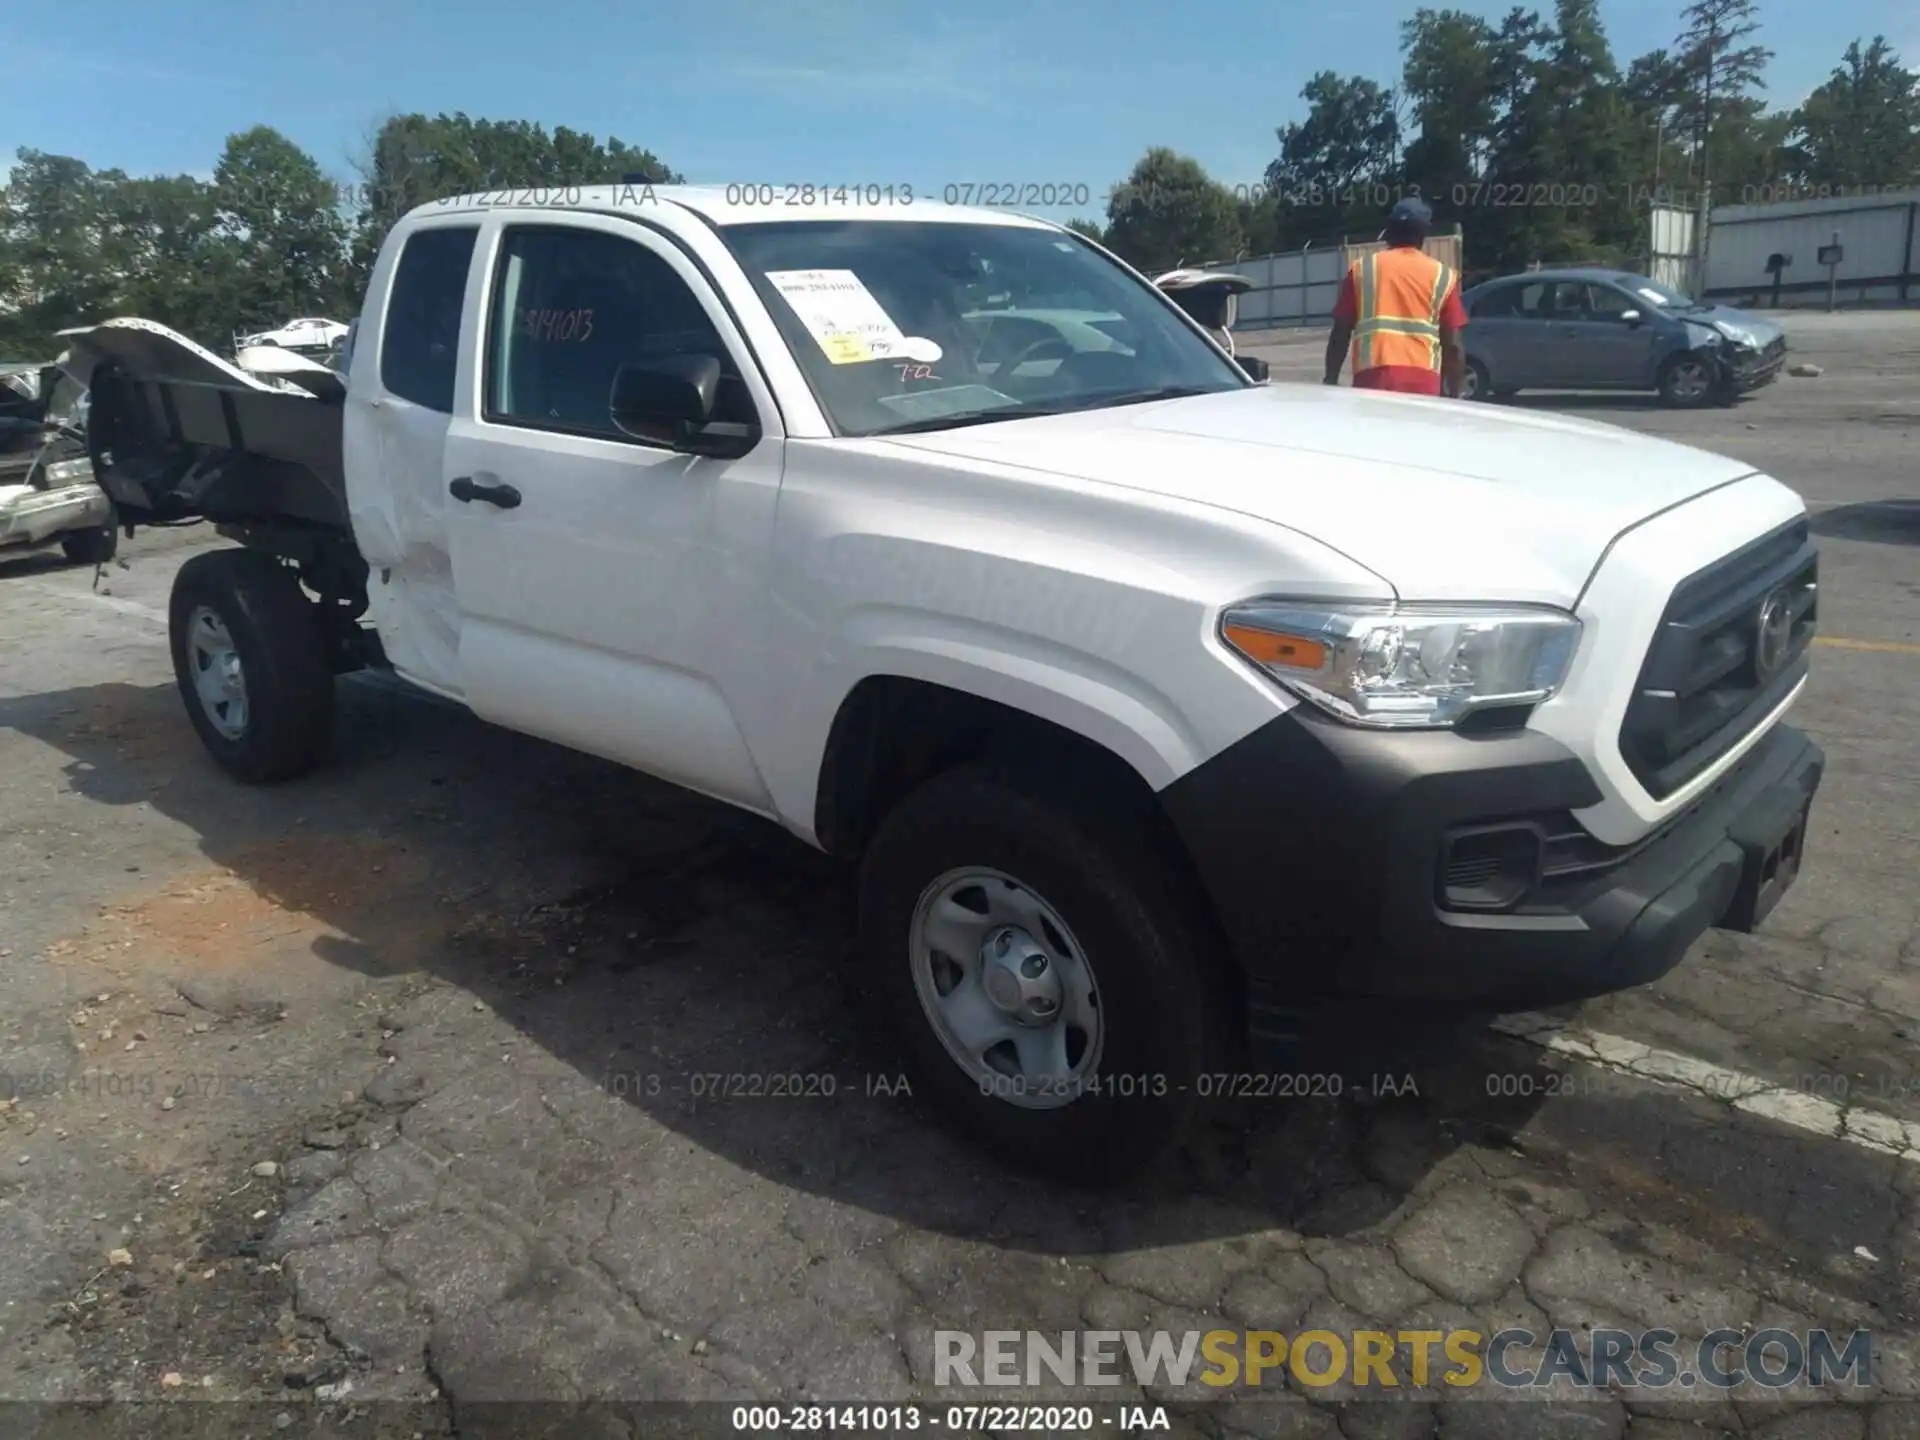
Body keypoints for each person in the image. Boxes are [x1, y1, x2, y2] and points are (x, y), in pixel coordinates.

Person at [1324, 198, 1467, 397]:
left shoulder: (1363, 269)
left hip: (1373, 378)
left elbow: (1341, 332)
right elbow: (1452, 345)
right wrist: (1455, 393)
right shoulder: (1442, 275)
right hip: (1425, 382)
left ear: (1388, 231)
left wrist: (1330, 379)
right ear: (1423, 234)